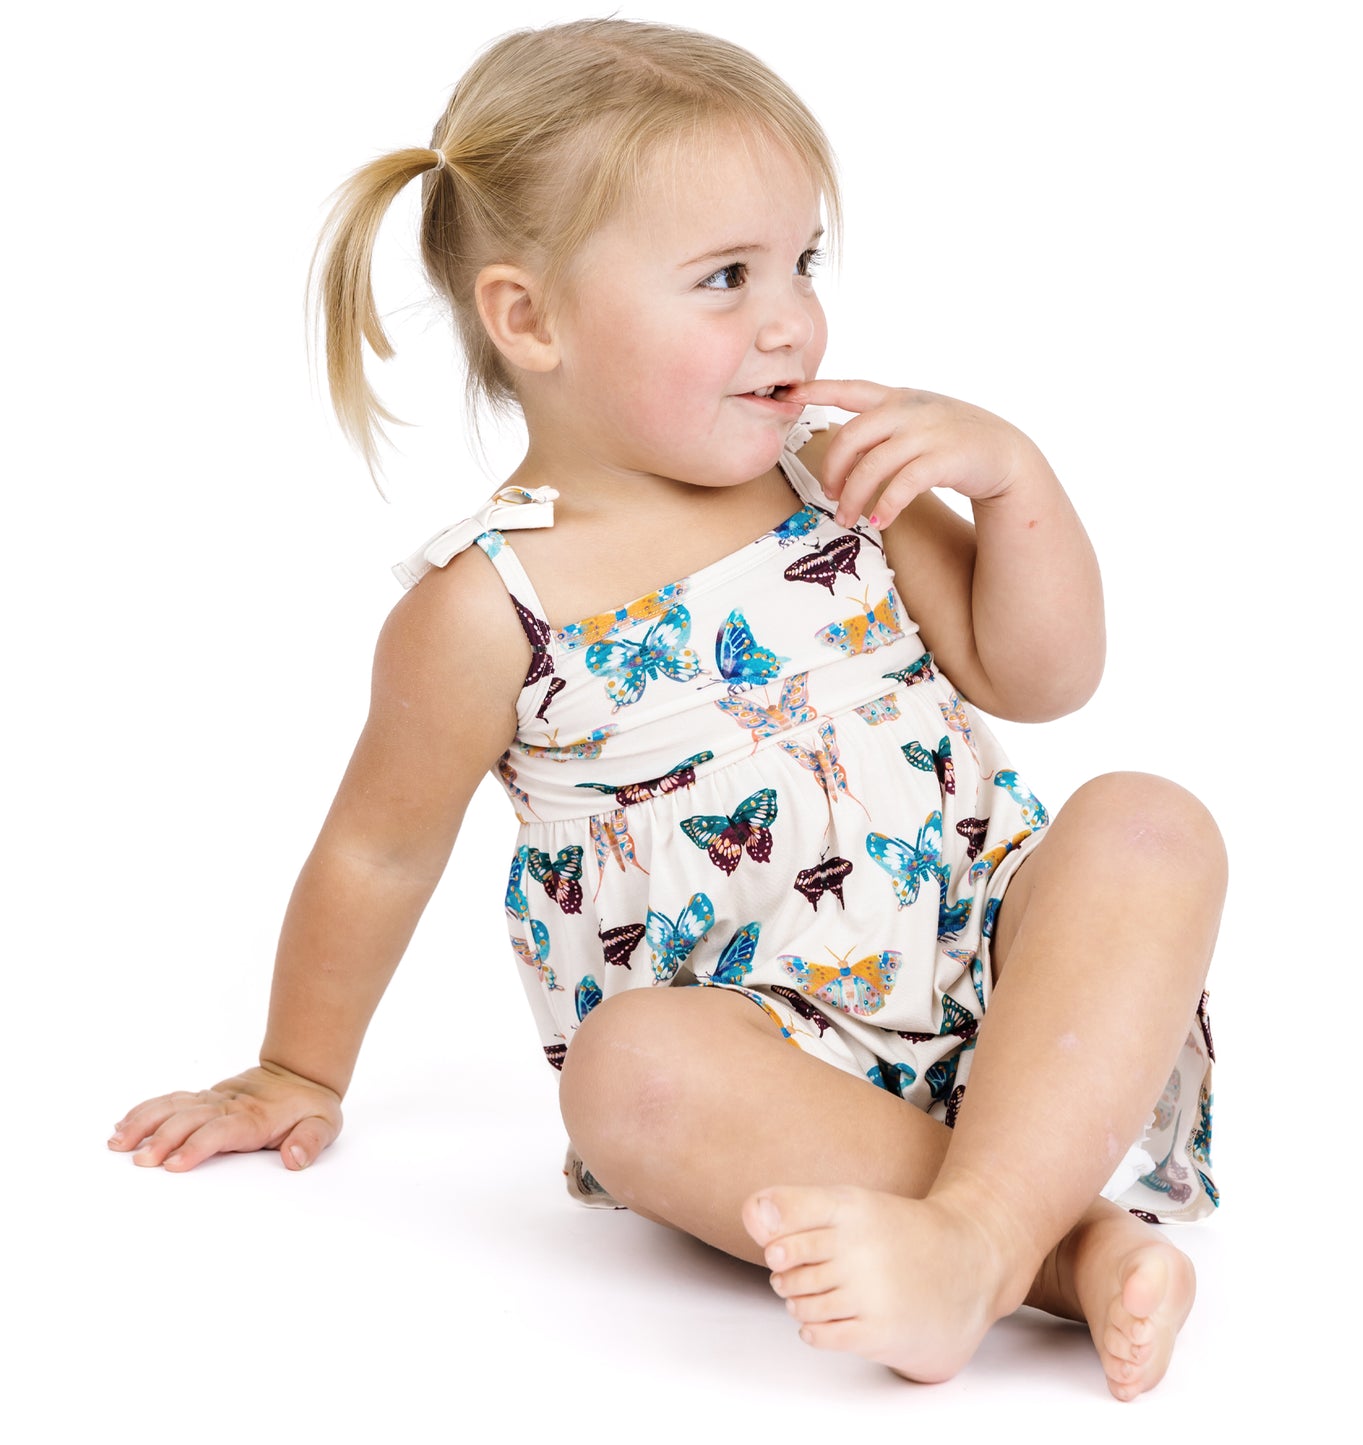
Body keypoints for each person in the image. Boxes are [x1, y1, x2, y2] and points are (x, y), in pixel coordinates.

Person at [108, 18, 1225, 1400]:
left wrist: (1016, 481)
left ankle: (981, 1233)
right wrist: (293, 1065)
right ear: (530, 319)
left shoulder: (837, 478)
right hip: (761, 1070)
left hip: (1016, 998)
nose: (788, 319)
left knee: (1150, 824)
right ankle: (1049, 1247)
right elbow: (375, 851)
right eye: (724, 277)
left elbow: (1038, 676)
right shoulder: (484, 609)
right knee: (629, 1072)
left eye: (801, 262)